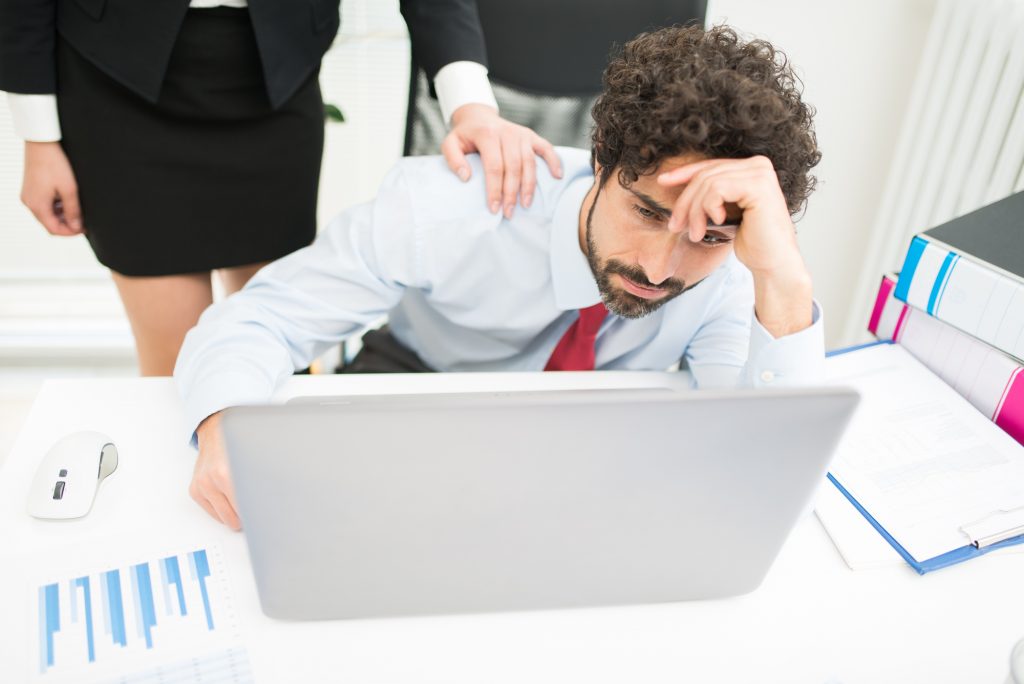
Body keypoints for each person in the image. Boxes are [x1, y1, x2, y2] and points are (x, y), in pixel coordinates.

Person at [175, 24, 825, 530]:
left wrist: (786, 281)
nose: (659, 271)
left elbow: (755, 468)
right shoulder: (449, 208)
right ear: (600, 161)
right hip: (417, 385)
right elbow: (261, 319)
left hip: (589, 457)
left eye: (707, 238)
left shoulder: (737, 275)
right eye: (648, 212)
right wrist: (226, 423)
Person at [0, 0, 559, 376]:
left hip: (272, 80)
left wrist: (471, 106)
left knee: (281, 359)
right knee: (176, 370)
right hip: (116, 83)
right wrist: (38, 135)